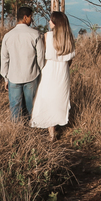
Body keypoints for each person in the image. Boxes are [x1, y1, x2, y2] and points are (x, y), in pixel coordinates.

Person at [30, 10, 75, 141]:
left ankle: (51, 132)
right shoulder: (68, 37)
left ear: (55, 23)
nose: (49, 22)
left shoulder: (47, 36)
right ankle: (55, 125)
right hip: (63, 70)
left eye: (50, 20)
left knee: (46, 97)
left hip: (49, 69)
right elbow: (70, 59)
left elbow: (41, 54)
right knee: (59, 99)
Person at [1, 6, 45, 123]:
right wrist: (41, 73)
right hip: (31, 76)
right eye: (31, 17)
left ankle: (16, 130)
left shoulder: (7, 36)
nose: (32, 19)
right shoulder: (35, 34)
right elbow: (41, 58)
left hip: (13, 77)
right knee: (32, 106)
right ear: (25, 17)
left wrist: (5, 78)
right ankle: (33, 127)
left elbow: (4, 59)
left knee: (15, 107)